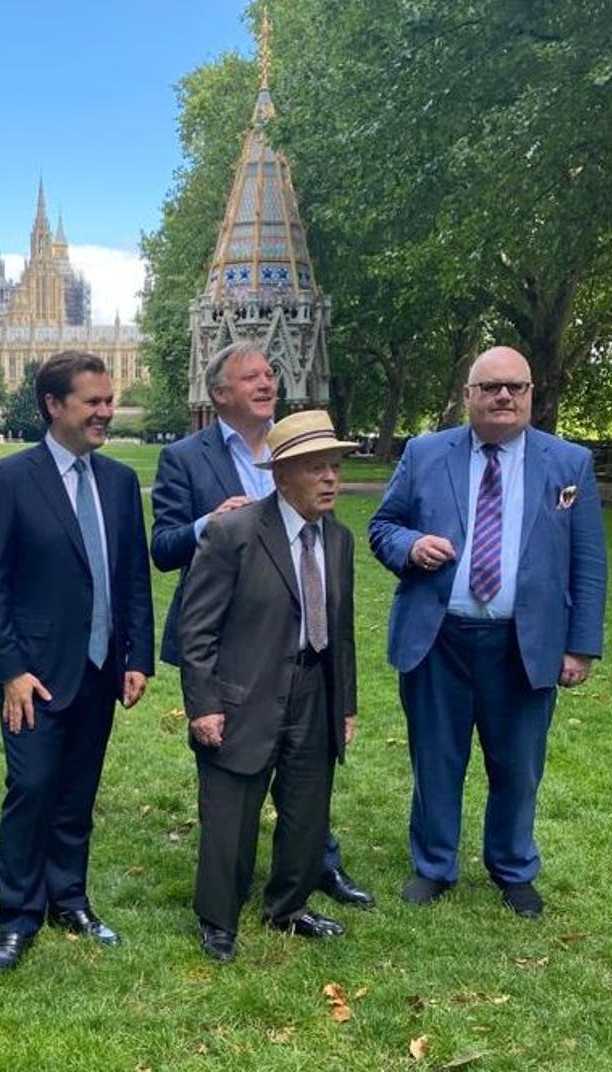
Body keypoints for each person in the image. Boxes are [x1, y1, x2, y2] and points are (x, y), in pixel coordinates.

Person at [368, 346, 607, 918]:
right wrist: (411, 546)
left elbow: (588, 560)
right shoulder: (426, 454)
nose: (505, 396)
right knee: (436, 759)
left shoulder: (568, 463)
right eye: (493, 386)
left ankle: (513, 867)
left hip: (523, 645)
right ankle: (434, 866)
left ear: (531, 394)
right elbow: (383, 526)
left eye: (517, 387)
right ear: (469, 395)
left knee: (518, 765)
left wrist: (580, 645)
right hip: (439, 638)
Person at [151, 341, 374, 912]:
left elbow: (337, 619)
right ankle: (221, 906)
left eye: (271, 372)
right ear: (219, 393)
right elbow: (164, 548)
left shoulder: (326, 509)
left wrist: (343, 700)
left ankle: (304, 883)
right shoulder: (188, 460)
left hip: (305, 655)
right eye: (250, 375)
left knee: (307, 783)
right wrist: (210, 521)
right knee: (236, 784)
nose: (265, 381)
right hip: (238, 654)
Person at [0, 350, 154, 974]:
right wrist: (10, 669)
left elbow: (132, 577)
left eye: (109, 401)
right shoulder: (10, 479)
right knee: (33, 788)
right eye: (94, 402)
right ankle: (18, 917)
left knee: (77, 793)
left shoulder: (121, 482)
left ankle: (69, 900)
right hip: (34, 676)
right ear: (54, 405)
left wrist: (138, 656)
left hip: (102, 670)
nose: (107, 412)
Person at [178, 410, 360, 961]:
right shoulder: (233, 533)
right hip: (243, 695)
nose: (330, 478)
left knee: (308, 808)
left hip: (315, 690)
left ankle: (289, 907)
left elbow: (344, 630)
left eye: (334, 466)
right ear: (281, 476)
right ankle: (218, 919)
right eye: (315, 468)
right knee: (231, 812)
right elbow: (197, 626)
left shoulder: (341, 539)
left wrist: (345, 706)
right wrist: (204, 704)